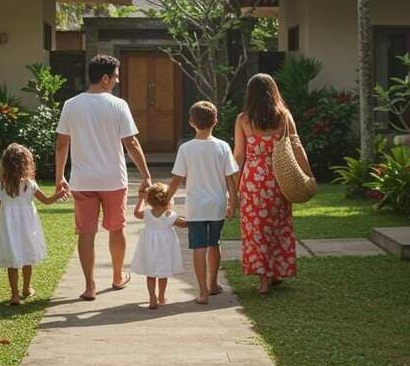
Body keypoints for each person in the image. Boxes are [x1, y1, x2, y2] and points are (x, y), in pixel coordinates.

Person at [55, 54, 152, 301]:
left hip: (82, 181)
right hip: (113, 181)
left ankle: (89, 286)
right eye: (116, 76)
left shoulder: (71, 105)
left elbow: (61, 144)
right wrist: (146, 175)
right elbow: (131, 142)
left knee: (85, 233)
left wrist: (59, 177)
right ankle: (118, 277)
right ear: (105, 77)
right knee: (116, 229)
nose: (117, 82)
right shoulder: (118, 105)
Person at [233, 73, 312, 295]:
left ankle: (264, 280)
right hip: (279, 178)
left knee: (255, 228)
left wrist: (231, 183)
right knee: (278, 225)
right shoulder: (284, 116)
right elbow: (296, 146)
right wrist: (308, 173)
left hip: (253, 181)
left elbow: (239, 155)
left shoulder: (243, 120)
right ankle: (277, 272)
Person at [167, 101, 238, 305]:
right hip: (217, 204)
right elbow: (230, 179)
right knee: (214, 243)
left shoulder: (186, 149)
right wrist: (233, 202)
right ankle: (213, 284)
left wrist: (165, 200)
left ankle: (202, 292)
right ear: (215, 121)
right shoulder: (223, 146)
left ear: (191, 122)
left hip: (196, 206)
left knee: (198, 246)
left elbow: (177, 179)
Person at [0, 144, 68, 305]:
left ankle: (15, 295)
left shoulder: (1, 187)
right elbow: (46, 201)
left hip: (9, 228)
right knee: (26, 257)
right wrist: (59, 194)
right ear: (26, 164)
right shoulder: (29, 184)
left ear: (5, 165)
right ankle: (26, 288)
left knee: (12, 260)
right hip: (28, 227)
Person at [131, 183, 186, 309]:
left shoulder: (147, 213)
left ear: (149, 199)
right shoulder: (171, 215)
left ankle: (152, 297)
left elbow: (136, 213)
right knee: (163, 273)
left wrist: (141, 199)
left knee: (150, 273)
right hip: (165, 247)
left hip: (149, 246)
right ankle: (161, 296)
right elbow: (184, 224)